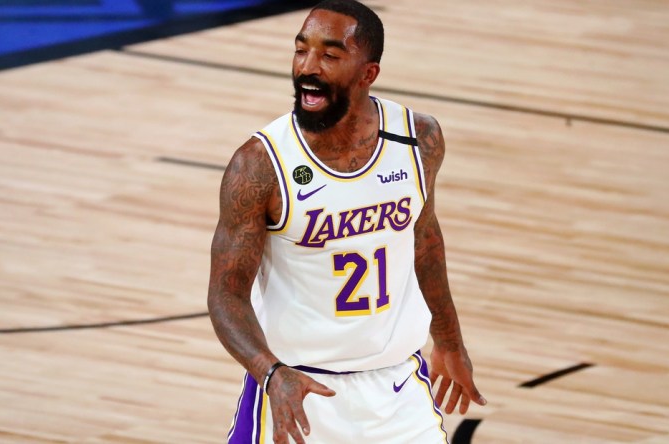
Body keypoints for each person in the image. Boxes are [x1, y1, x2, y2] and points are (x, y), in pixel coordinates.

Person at [207, 1, 486, 442]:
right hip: (298, 391)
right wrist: (271, 373)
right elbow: (226, 296)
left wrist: (448, 337)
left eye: (330, 56)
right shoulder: (260, 165)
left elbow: (424, 236)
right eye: (301, 50)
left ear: (367, 73)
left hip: (398, 391)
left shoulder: (418, 138)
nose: (308, 67)